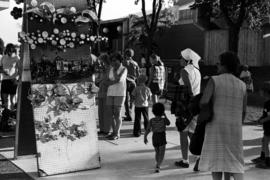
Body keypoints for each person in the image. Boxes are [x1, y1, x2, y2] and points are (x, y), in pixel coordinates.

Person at [199, 51, 247, 180]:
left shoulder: (214, 80)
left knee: (217, 161)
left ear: (225, 65)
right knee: (236, 161)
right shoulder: (242, 85)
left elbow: (204, 102)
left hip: (216, 125)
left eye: (218, 63)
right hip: (234, 128)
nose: (217, 65)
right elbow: (243, 111)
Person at [174, 48, 201, 169]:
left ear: (186, 60)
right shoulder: (197, 71)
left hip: (186, 105)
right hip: (196, 104)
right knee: (192, 132)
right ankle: (200, 156)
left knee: (183, 132)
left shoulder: (184, 71)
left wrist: (185, 106)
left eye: (181, 58)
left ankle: (185, 160)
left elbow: (187, 89)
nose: (179, 60)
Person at [106, 52, 127, 140]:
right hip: (110, 93)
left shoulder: (124, 69)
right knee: (110, 114)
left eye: (115, 60)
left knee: (117, 114)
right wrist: (111, 81)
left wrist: (115, 72)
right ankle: (113, 132)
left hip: (120, 93)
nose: (113, 62)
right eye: (112, 61)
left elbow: (118, 80)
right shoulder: (111, 68)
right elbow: (107, 80)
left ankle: (117, 133)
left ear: (119, 60)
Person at [144, 102, 170, 173]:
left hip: (154, 137)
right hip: (161, 136)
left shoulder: (151, 120)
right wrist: (165, 116)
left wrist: (145, 137)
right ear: (162, 111)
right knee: (162, 152)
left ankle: (157, 163)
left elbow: (148, 129)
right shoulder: (163, 120)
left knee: (157, 152)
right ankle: (158, 165)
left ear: (153, 112)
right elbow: (168, 123)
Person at [252, 81, 270, 168]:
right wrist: (260, 119)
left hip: (269, 127)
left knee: (266, 143)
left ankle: (267, 162)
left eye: (261, 90)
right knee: (264, 141)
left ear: (266, 92)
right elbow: (265, 115)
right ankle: (263, 157)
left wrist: (261, 121)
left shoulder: (269, 103)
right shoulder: (267, 102)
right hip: (267, 127)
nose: (259, 92)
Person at [0, 43, 21, 110]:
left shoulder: (17, 58)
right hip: (4, 80)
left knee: (12, 101)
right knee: (5, 101)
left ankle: (12, 115)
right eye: (9, 50)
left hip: (13, 81)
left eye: (11, 50)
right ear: (7, 50)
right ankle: (6, 116)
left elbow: (20, 71)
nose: (10, 52)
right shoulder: (3, 57)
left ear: (14, 50)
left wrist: (17, 80)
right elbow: (0, 68)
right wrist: (3, 71)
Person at [122, 48, 140, 121]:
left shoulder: (123, 62)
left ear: (125, 54)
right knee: (132, 99)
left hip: (125, 81)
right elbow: (138, 74)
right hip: (133, 82)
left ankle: (128, 114)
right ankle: (130, 111)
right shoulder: (135, 63)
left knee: (126, 99)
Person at [97, 53, 112, 135]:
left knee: (106, 112)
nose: (100, 63)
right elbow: (98, 79)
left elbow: (110, 80)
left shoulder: (110, 69)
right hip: (101, 91)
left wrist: (101, 80)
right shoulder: (103, 69)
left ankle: (107, 129)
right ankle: (102, 128)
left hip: (107, 92)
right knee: (101, 111)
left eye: (101, 61)